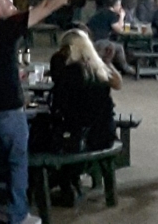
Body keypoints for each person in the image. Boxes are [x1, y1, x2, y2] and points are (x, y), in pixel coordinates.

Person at [0, 0, 87, 224]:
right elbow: (45, 6)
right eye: (10, 5)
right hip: (6, 108)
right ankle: (18, 214)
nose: (14, 10)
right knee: (16, 161)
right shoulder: (6, 27)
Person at [48, 28, 121, 205]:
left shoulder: (71, 72)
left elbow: (59, 108)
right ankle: (72, 182)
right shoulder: (99, 69)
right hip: (105, 133)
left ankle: (62, 185)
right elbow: (117, 83)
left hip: (83, 137)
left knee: (46, 138)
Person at [86, 0, 135, 75]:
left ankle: (118, 68)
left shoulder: (102, 12)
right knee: (119, 47)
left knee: (114, 45)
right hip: (100, 41)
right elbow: (119, 29)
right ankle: (126, 68)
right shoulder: (111, 14)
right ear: (115, 6)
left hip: (90, 39)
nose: (121, 7)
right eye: (119, 5)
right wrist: (122, 16)